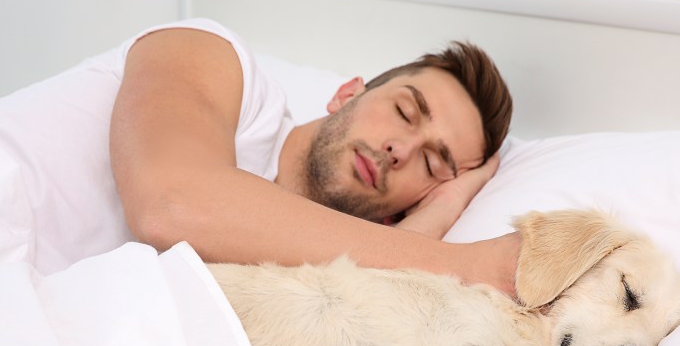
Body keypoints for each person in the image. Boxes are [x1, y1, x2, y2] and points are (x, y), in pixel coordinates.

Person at [109, 19, 523, 297]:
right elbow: (172, 205)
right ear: (347, 93)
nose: (402, 150)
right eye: (404, 112)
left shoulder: (325, 274)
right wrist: (465, 265)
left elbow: (364, 305)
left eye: (431, 165)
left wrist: (447, 203)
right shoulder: (212, 53)